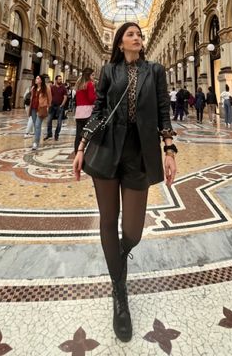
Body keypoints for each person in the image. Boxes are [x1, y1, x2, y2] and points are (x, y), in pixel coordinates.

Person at [72, 22, 177, 343]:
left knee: (132, 230)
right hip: (106, 150)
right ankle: (120, 294)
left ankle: (118, 256)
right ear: (120, 43)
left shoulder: (155, 70)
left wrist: (169, 148)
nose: (138, 38)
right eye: (131, 35)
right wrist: (81, 147)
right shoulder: (108, 71)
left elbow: (163, 110)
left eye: (139, 35)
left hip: (139, 152)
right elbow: (98, 110)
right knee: (107, 219)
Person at [73, 68, 97, 154]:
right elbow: (91, 99)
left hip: (79, 112)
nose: (94, 77)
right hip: (87, 112)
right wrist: (96, 97)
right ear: (89, 75)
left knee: (78, 135)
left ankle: (77, 153)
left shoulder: (79, 85)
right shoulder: (90, 84)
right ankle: (90, 154)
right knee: (90, 134)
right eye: (93, 75)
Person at [29, 75, 52, 151]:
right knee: (36, 126)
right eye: (36, 78)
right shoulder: (33, 88)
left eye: (38, 78)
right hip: (33, 108)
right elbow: (32, 98)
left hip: (41, 108)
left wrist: (48, 107)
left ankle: (35, 143)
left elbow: (50, 98)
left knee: (37, 125)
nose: (36, 79)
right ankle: (36, 140)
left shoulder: (46, 88)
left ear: (41, 80)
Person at [44, 75, 67, 141]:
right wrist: (49, 104)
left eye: (61, 79)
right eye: (59, 79)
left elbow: (65, 97)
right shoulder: (52, 87)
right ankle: (49, 134)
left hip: (60, 107)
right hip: (52, 106)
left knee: (59, 122)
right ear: (56, 80)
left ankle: (57, 134)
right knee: (49, 120)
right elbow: (48, 96)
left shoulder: (63, 88)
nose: (60, 80)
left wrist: (62, 105)